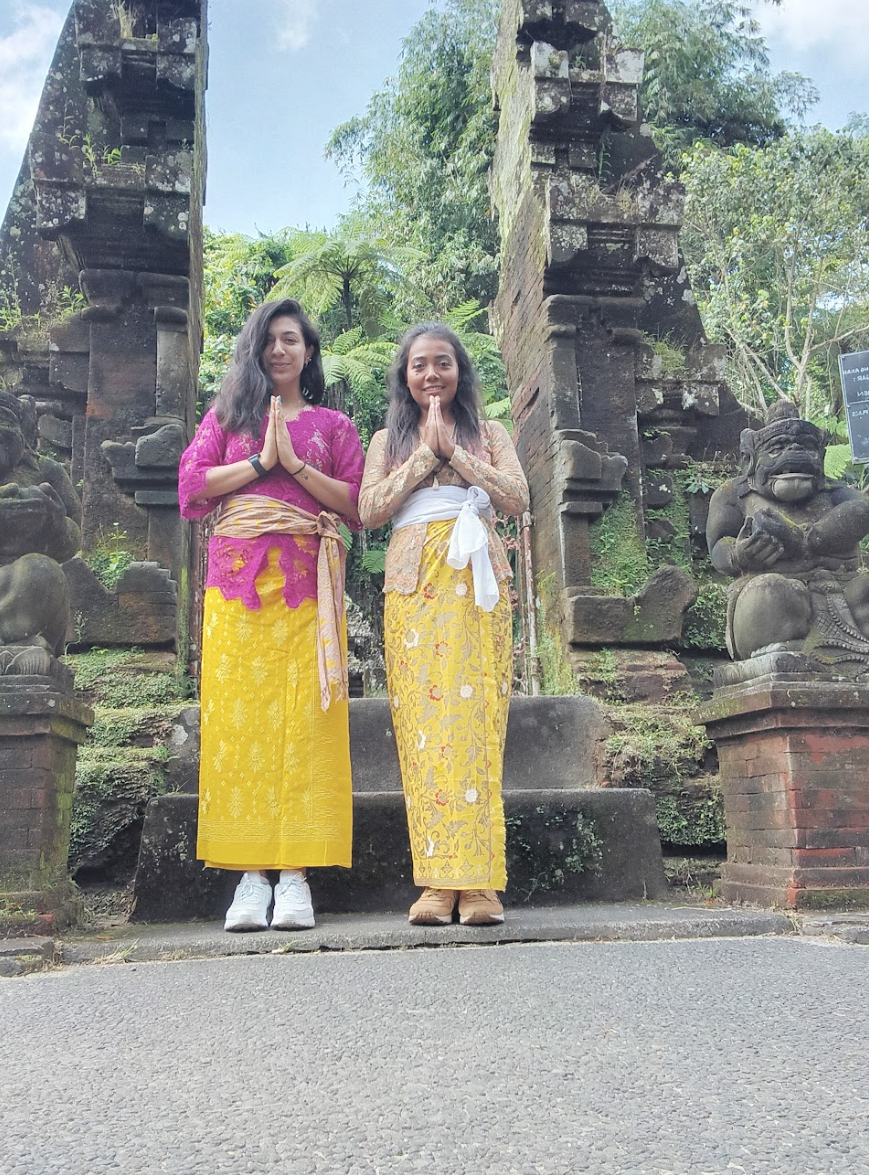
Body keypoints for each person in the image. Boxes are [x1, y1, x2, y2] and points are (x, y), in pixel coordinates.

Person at [178, 299, 364, 932]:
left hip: (308, 586)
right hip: (237, 587)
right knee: (241, 721)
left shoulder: (334, 425)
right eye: (270, 341)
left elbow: (357, 503)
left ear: (309, 352)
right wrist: (260, 463)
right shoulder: (229, 416)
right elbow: (191, 486)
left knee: (307, 719)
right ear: (256, 351)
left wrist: (295, 465)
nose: (280, 350)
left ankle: (296, 877)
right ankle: (250, 877)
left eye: (292, 340)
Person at [359, 323, 529, 926]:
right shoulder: (386, 439)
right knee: (425, 727)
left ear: (461, 371)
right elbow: (369, 510)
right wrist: (423, 458)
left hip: (478, 585)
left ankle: (479, 883)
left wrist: (456, 454)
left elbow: (518, 497)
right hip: (414, 591)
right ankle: (435, 880)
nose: (431, 374)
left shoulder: (490, 433)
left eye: (443, 363)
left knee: (479, 721)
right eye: (419, 365)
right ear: (404, 376)